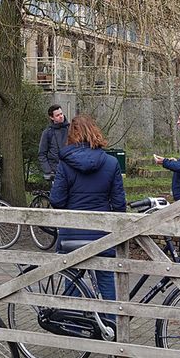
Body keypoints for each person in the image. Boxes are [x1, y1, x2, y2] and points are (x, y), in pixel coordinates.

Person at [50, 115, 126, 304]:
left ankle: (72, 323)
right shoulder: (111, 163)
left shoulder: (65, 164)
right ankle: (111, 323)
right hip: (102, 234)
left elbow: (56, 200)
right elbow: (119, 204)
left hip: (72, 234)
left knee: (72, 279)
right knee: (107, 279)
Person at [38, 104, 69, 179]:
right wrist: (49, 171)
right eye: (57, 115)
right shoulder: (47, 133)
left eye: (61, 114)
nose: (61, 116)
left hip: (71, 170)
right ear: (52, 117)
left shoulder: (71, 130)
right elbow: (42, 154)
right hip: (55, 172)